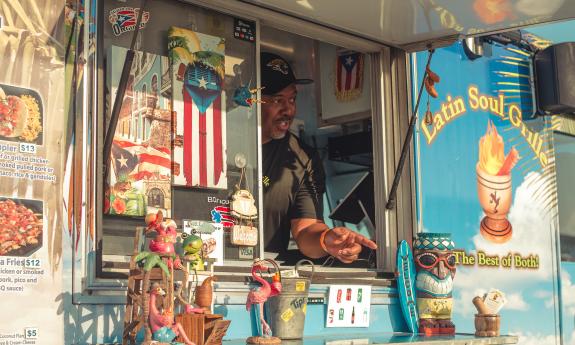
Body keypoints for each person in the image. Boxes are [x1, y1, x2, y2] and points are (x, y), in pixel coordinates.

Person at [260, 52, 377, 264]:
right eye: (278, 100)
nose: (288, 110)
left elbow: (305, 228)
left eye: (292, 99)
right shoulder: (216, 142)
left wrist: (327, 240)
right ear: (251, 101)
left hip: (262, 277)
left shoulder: (303, 158)